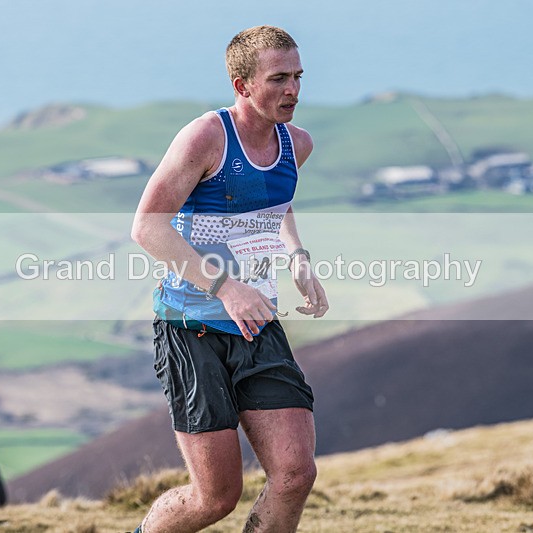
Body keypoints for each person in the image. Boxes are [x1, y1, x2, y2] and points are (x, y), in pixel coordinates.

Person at [131, 25, 328, 533]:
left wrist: (297, 256)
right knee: (215, 497)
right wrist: (226, 287)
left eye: (298, 76)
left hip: (257, 324)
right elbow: (147, 225)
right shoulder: (206, 137)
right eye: (278, 78)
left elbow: (273, 203)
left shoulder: (297, 145)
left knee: (295, 472)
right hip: (192, 327)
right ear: (241, 86)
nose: (293, 90)